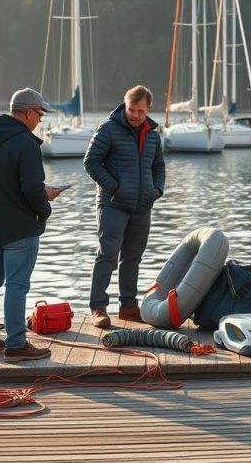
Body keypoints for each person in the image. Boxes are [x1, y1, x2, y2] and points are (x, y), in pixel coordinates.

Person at [0, 88, 64, 361]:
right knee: (16, 284)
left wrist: (37, 193)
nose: (40, 120)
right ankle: (15, 344)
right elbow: (32, 190)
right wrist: (45, 207)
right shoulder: (25, 143)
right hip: (19, 228)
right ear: (28, 112)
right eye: (40, 114)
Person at [84, 85, 165, 328]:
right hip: (113, 204)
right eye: (132, 110)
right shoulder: (108, 129)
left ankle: (128, 306)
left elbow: (159, 166)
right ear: (125, 105)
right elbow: (91, 162)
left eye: (141, 111)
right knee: (108, 255)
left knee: (133, 257)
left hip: (142, 205)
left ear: (148, 109)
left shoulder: (152, 134)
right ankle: (98, 307)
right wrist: (115, 187)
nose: (136, 115)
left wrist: (157, 190)